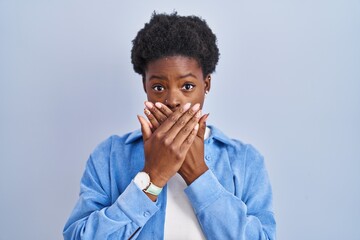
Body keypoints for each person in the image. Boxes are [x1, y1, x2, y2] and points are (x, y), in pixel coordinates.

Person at [63, 12, 276, 240]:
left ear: (206, 85)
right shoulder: (110, 156)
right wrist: (153, 176)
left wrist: (197, 174)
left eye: (187, 86)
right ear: (144, 85)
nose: (173, 100)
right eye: (158, 87)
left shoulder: (244, 160)